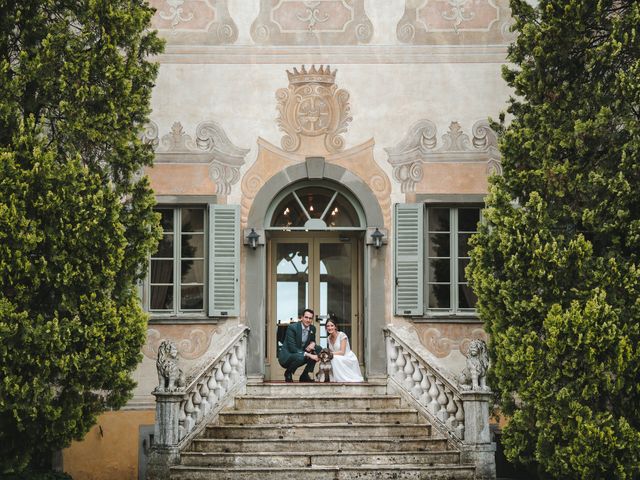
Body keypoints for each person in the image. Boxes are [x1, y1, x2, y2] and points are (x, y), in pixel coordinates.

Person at [277, 308, 322, 382]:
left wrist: (313, 343)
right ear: (301, 318)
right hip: (288, 356)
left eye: (310, 318)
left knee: (318, 349)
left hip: (301, 351)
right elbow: (292, 348)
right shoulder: (292, 328)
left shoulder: (312, 328)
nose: (308, 320)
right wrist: (310, 355)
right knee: (301, 356)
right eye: (306, 317)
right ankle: (288, 372)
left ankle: (304, 375)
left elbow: (312, 340)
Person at [325, 317, 364, 382]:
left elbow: (342, 352)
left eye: (332, 325)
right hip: (337, 357)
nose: (330, 328)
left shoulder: (342, 335)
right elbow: (331, 351)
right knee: (329, 358)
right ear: (326, 328)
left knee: (333, 358)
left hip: (347, 357)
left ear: (335, 327)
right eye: (328, 326)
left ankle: (340, 379)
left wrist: (329, 354)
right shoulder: (328, 338)